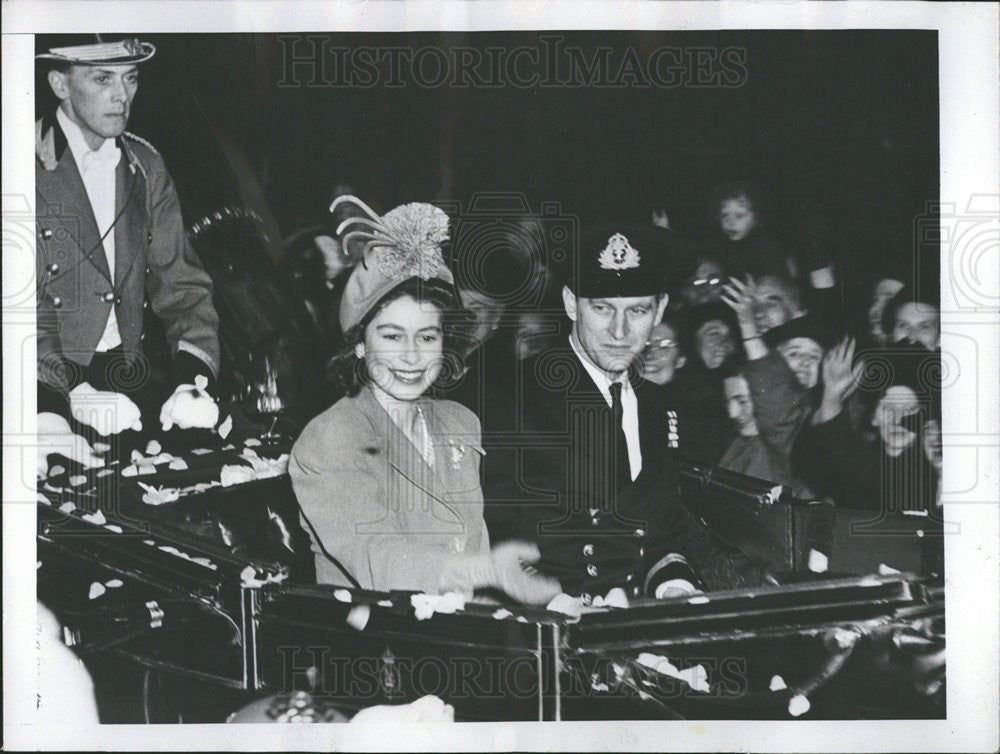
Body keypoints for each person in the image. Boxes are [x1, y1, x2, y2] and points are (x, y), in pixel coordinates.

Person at [289, 197, 560, 605]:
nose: (412, 357)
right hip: (374, 646)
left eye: (427, 337)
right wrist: (487, 572)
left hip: (458, 634)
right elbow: (379, 560)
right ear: (360, 346)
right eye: (392, 336)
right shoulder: (330, 437)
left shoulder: (459, 422)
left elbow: (472, 546)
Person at [481, 222, 769, 604]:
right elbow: (494, 531)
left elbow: (659, 530)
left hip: (637, 620)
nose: (619, 331)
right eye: (602, 309)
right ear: (571, 303)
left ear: (660, 309)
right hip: (550, 629)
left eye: (637, 310)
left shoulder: (655, 404)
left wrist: (674, 585)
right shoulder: (510, 395)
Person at [35, 36, 221, 462]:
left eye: (131, 78)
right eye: (103, 78)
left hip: (128, 376)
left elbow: (182, 282)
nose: (122, 96)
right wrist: (68, 394)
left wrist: (192, 380)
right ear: (61, 85)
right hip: (39, 380)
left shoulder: (144, 165)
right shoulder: (23, 164)